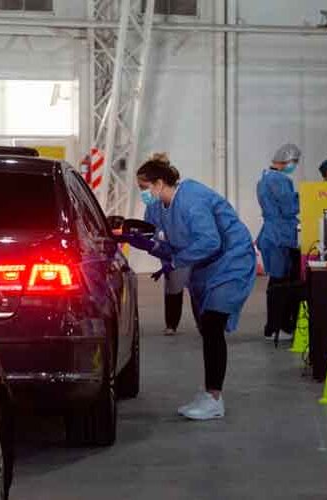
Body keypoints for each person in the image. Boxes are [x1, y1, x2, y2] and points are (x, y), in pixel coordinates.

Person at [123, 153, 256, 421]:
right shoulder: (157, 207)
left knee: (213, 323)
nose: (143, 194)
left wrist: (175, 260)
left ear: (160, 183)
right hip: (205, 267)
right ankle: (209, 392)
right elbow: (163, 238)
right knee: (206, 326)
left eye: (144, 188)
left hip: (231, 260)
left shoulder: (192, 199)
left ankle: (214, 398)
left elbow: (210, 242)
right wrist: (147, 244)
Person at [256, 143, 302, 343]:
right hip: (279, 235)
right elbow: (289, 208)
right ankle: (276, 327)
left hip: (273, 234)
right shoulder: (279, 181)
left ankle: (274, 326)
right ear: (289, 161)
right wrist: (304, 197)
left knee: (277, 282)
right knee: (281, 284)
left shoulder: (265, 179)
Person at [143, 161, 192, 336]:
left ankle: (204, 323)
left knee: (197, 289)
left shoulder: (184, 201)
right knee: (173, 287)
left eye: (145, 186)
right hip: (169, 251)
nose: (144, 192)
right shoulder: (153, 204)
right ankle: (171, 324)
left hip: (188, 250)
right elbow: (148, 227)